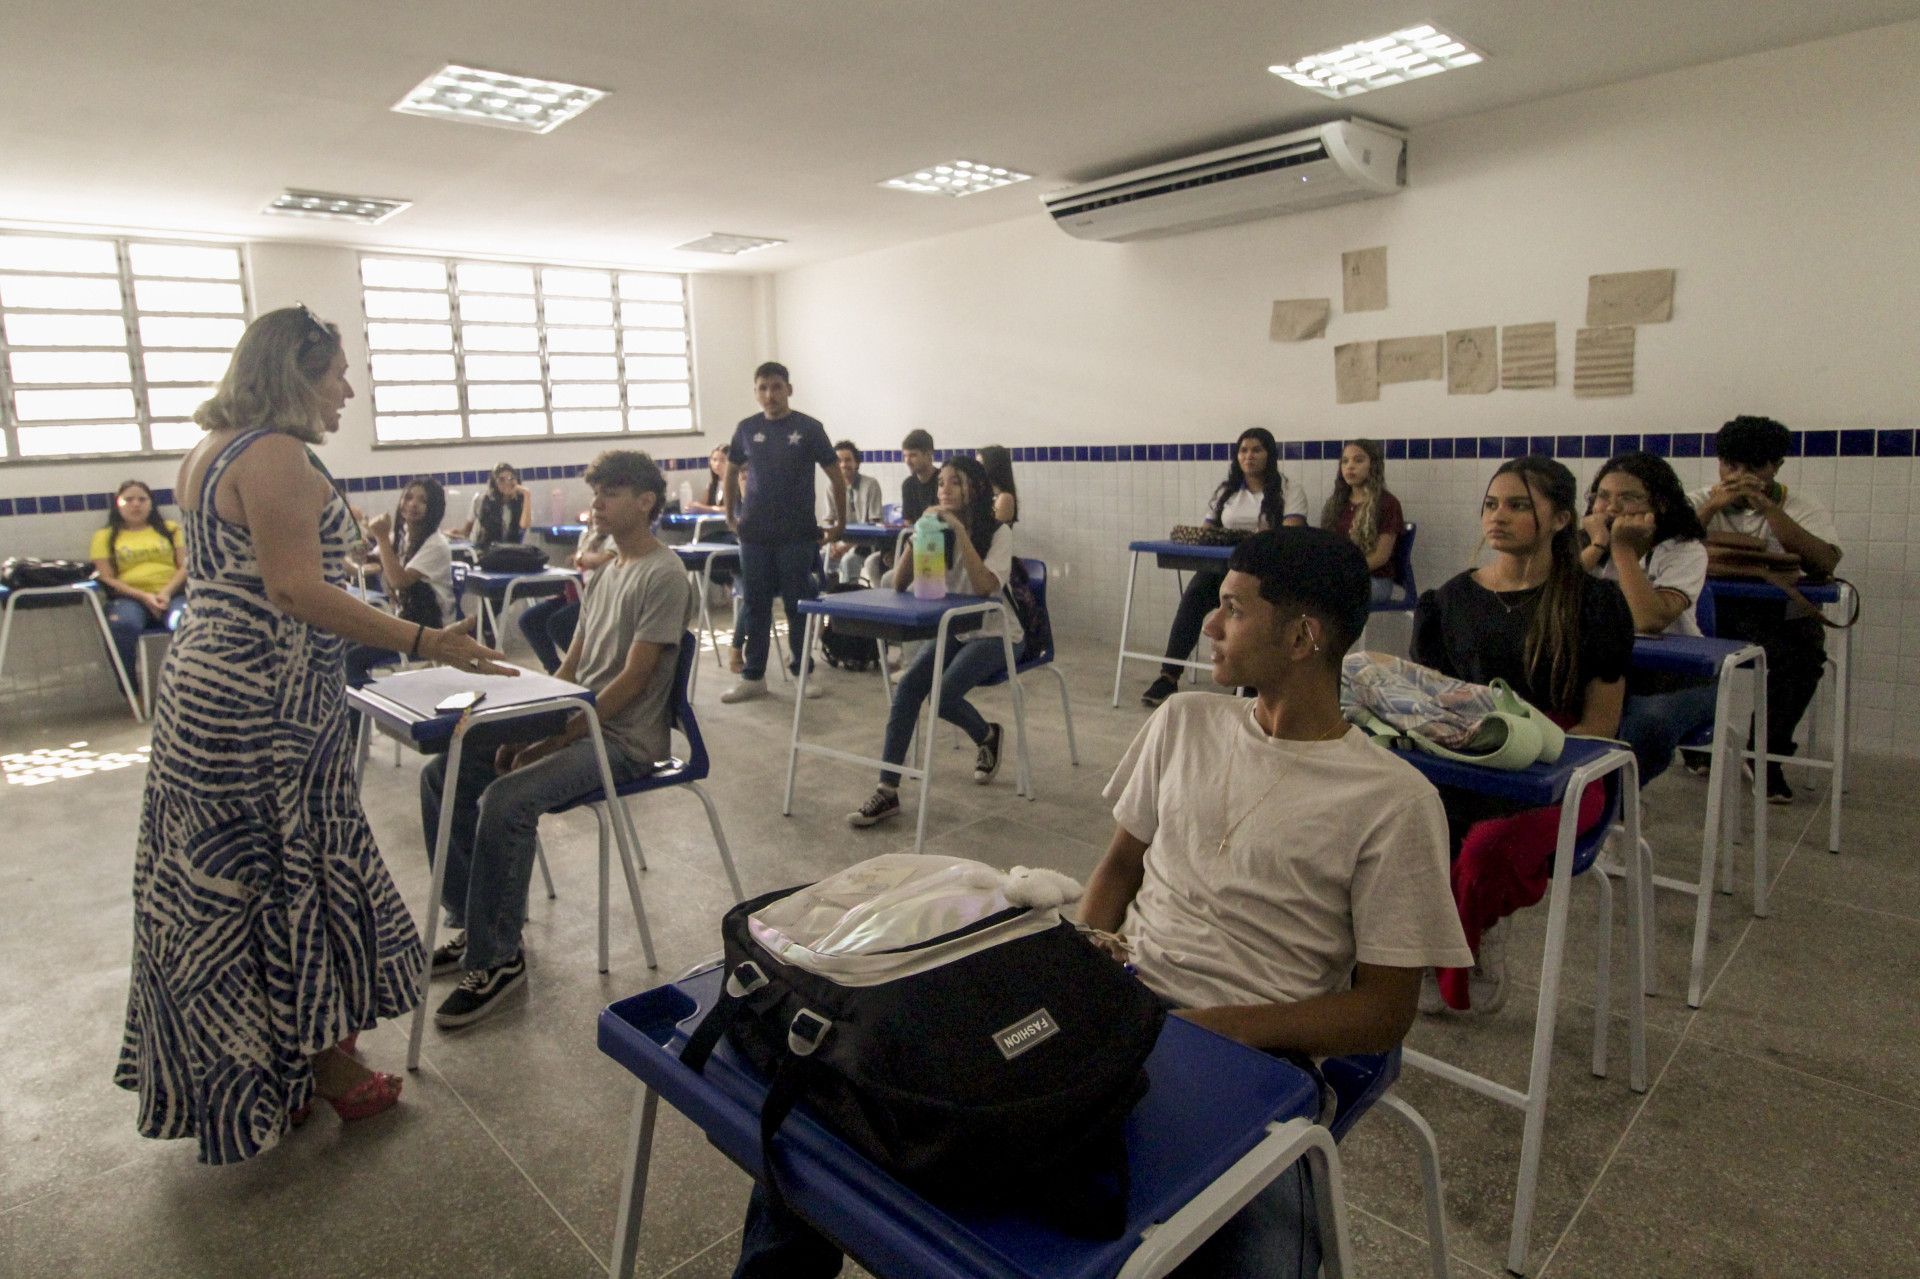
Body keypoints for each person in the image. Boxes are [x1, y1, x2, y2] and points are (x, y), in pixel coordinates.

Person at [732, 528, 1471, 1277]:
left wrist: (1219, 1028)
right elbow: (1118, 869)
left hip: (1254, 1056)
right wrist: (1075, 967)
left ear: (1304, 635)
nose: (1209, 626)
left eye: (1232, 609)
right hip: (1115, 1002)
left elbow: (1383, 1010)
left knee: (1250, 1257)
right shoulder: (1185, 721)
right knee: (844, 1115)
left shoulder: (1392, 800)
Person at [115, 307, 509, 1164]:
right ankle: (326, 1063)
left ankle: (271, 1065)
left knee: (234, 879)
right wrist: (425, 639)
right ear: (295, 372)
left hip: (214, 682)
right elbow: (294, 590)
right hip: (262, 697)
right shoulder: (272, 451)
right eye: (336, 372)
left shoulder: (214, 444)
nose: (348, 390)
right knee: (285, 867)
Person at [419, 449, 697, 1027]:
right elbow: (570, 665)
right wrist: (526, 717)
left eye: (609, 493)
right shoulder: (606, 569)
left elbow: (632, 681)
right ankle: (474, 922)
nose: (594, 503)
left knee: (505, 799)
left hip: (622, 742)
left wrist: (549, 741)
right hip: (580, 722)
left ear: (645, 502)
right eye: (595, 492)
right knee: (443, 773)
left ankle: (498, 958)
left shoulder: (664, 575)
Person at [1412, 455, 1633, 1011]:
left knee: (1486, 851)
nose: (1497, 517)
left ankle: (1467, 941)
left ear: (1561, 519)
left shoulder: (1594, 602)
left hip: (1565, 767)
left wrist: (1530, 764)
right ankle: (1406, 945)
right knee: (1388, 821)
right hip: (1467, 754)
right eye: (1491, 504)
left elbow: (1601, 725)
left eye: (1517, 505)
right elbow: (1438, 705)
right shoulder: (1451, 600)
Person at [847, 457, 1023, 828]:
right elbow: (898, 584)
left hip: (996, 631)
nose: (943, 489)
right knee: (910, 686)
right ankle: (887, 789)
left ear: (973, 489)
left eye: (954, 483)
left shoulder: (998, 533)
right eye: (941, 483)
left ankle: (986, 734)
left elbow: (983, 587)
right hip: (956, 629)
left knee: (942, 696)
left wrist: (959, 532)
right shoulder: (935, 531)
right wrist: (919, 536)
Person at [1688, 416, 1843, 804]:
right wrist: (1711, 509)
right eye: (1730, 466)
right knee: (1676, 643)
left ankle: (1766, 756)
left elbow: (1824, 562)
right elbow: (1664, 546)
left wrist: (1768, 508)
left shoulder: (1801, 506)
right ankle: (1693, 740)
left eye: (1753, 468)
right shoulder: (1697, 500)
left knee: (1805, 653)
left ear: (1775, 467)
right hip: (1707, 613)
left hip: (1771, 617)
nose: (1739, 476)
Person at [1141, 427, 1306, 709]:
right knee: (1193, 598)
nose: (1249, 456)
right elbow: (1206, 533)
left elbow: (1291, 536)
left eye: (1256, 450)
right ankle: (1168, 676)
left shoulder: (1289, 490)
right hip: (1223, 570)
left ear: (1270, 455)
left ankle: (1250, 680)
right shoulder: (1226, 492)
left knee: (1251, 612)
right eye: (1243, 450)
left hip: (1266, 573)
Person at [1580, 452, 1715, 787]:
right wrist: (1599, 544)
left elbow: (1647, 620)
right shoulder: (1586, 546)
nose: (1611, 508)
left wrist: (1623, 550)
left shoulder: (1684, 550)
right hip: (1604, 672)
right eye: (1603, 497)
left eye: (1628, 498)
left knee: (1644, 726)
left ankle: (1611, 813)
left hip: (1675, 677)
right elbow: (1552, 595)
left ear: (1660, 505)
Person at [720, 362, 846, 703]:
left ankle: (801, 673)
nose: (769, 395)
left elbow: (836, 477)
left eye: (776, 387)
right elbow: (730, 474)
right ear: (756, 392)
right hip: (754, 533)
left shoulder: (809, 428)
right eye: (762, 388)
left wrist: (841, 523)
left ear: (789, 389)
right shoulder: (746, 428)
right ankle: (753, 676)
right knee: (756, 604)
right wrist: (732, 517)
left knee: (797, 604)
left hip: (797, 533)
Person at [343, 477, 457, 687]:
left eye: (423, 501)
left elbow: (399, 581)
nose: (413, 504)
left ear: (434, 508)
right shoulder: (404, 537)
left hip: (430, 629)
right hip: (406, 622)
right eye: (409, 497)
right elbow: (374, 559)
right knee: (346, 641)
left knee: (353, 659)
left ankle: (365, 713)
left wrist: (382, 537)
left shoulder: (436, 545)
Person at [90, 479, 187, 685]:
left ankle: (187, 688)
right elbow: (106, 577)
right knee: (122, 625)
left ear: (151, 504)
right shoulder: (104, 536)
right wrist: (145, 597)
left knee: (185, 622)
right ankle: (131, 692)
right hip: (129, 599)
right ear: (118, 504)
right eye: (128, 500)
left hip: (171, 594)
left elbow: (186, 566)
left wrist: (165, 593)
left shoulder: (171, 529)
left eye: (142, 499)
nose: (136, 504)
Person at [517, 520, 616, 674]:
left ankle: (585, 671)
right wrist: (582, 558)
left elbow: (603, 561)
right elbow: (581, 564)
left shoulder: (617, 537)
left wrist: (581, 556)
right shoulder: (585, 535)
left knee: (558, 623)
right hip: (579, 593)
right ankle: (555, 670)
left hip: (602, 598)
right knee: (530, 619)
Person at [1319, 439, 1405, 604]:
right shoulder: (1337, 503)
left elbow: (1380, 556)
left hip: (1374, 581)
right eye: (1345, 461)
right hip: (1341, 578)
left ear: (1373, 465)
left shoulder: (1387, 503)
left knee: (1325, 595)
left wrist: (1345, 572)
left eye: (1358, 460)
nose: (1350, 466)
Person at [826, 439, 885, 584]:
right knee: (819, 559)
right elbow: (829, 522)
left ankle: (847, 599)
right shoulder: (831, 487)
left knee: (848, 561)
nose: (843, 465)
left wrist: (848, 546)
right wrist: (833, 546)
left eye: (848, 460)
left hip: (866, 544)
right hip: (840, 543)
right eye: (839, 461)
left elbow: (874, 523)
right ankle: (831, 600)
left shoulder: (871, 484)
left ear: (856, 463)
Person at [457, 462, 532, 549]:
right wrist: (456, 533)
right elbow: (467, 530)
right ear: (494, 484)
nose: (507, 482)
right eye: (501, 480)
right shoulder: (481, 500)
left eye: (511, 478)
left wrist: (527, 494)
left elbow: (524, 525)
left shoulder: (521, 501)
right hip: (486, 551)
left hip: (513, 551)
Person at [978, 443, 1019, 525]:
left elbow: (991, 529)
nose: (976, 469)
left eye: (980, 465)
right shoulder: (987, 493)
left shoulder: (1004, 497)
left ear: (993, 467)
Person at [685, 444, 730, 513]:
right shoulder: (711, 485)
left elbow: (731, 510)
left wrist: (705, 509)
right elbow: (703, 505)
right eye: (714, 460)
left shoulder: (737, 484)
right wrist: (693, 507)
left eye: (722, 460)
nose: (717, 464)